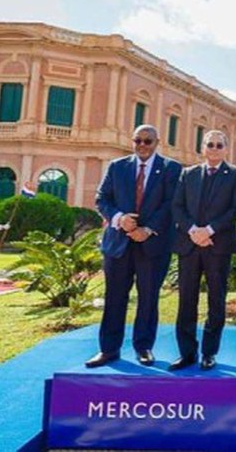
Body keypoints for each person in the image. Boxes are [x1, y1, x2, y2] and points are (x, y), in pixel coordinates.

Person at [85, 125, 181, 368]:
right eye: (138, 140)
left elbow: (171, 204)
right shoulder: (118, 167)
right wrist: (120, 219)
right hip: (118, 244)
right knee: (114, 297)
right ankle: (108, 350)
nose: (142, 145)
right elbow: (102, 198)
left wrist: (146, 230)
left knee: (148, 298)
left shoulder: (171, 168)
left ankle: (144, 347)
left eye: (147, 141)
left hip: (153, 245)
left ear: (157, 142)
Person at [169, 130, 236, 371]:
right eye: (210, 144)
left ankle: (209, 352)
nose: (214, 148)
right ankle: (187, 353)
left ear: (226, 148)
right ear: (203, 147)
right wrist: (193, 230)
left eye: (219, 145)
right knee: (186, 300)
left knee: (216, 300)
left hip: (217, 246)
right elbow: (177, 206)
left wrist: (209, 231)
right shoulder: (188, 174)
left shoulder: (235, 175)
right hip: (189, 245)